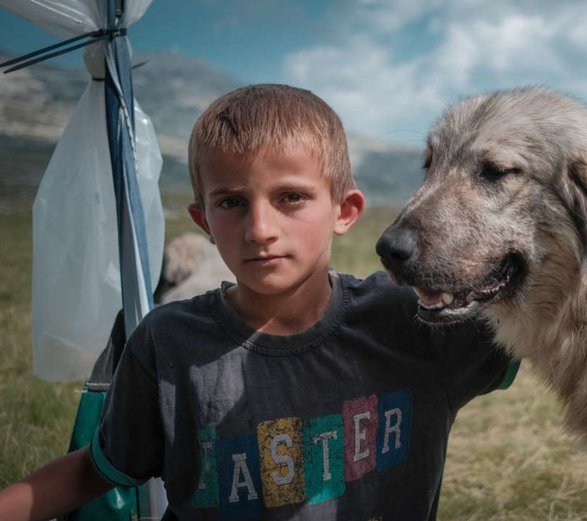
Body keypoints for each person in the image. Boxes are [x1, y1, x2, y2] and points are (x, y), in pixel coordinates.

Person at [0, 84, 518, 521]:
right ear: (203, 221)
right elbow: (98, 468)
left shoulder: (416, 323)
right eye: (231, 203)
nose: (260, 230)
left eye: (291, 197)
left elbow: (564, 322)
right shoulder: (169, 343)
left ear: (345, 209)